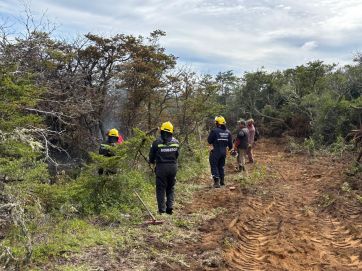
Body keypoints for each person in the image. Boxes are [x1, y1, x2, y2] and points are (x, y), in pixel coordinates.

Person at [149, 121, 179, 215]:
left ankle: (162, 210)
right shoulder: (176, 142)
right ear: (171, 131)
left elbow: (151, 157)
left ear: (161, 131)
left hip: (161, 168)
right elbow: (177, 155)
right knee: (170, 188)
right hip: (173, 167)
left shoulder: (156, 142)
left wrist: (151, 162)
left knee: (161, 189)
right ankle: (169, 208)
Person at [207, 116, 233, 188]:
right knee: (221, 166)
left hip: (216, 151)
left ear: (217, 123)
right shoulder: (228, 132)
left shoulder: (214, 131)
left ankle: (216, 182)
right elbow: (230, 145)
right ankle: (222, 181)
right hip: (224, 152)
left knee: (214, 166)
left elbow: (209, 141)